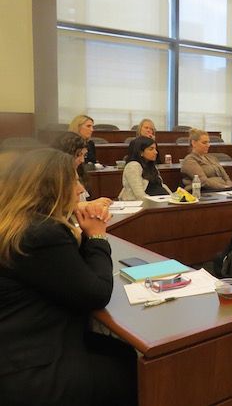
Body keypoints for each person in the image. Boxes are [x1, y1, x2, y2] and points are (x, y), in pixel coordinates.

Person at [0, 149, 136, 406]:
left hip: (16, 348)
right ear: (51, 187)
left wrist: (73, 220)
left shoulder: (18, 224)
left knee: (120, 351)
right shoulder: (42, 233)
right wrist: (97, 235)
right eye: (73, 180)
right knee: (132, 366)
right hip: (33, 370)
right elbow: (96, 293)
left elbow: (68, 269)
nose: (81, 188)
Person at [50, 131, 112, 207]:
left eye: (84, 155)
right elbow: (59, 207)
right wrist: (89, 204)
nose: (82, 160)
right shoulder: (53, 176)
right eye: (78, 155)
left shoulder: (80, 171)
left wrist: (91, 203)